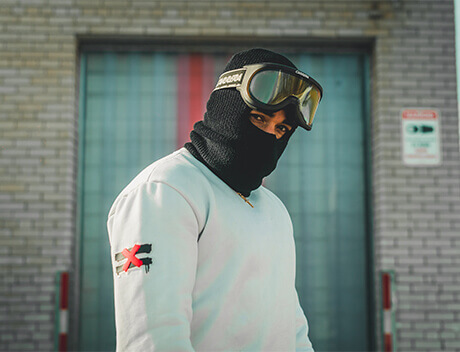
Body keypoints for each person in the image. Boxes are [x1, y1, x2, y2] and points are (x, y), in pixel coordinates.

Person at [107, 48, 323, 351]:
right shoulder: (164, 191)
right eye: (260, 119)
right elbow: (153, 339)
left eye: (282, 129)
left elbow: (292, 327)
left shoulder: (274, 209)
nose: (270, 136)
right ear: (227, 111)